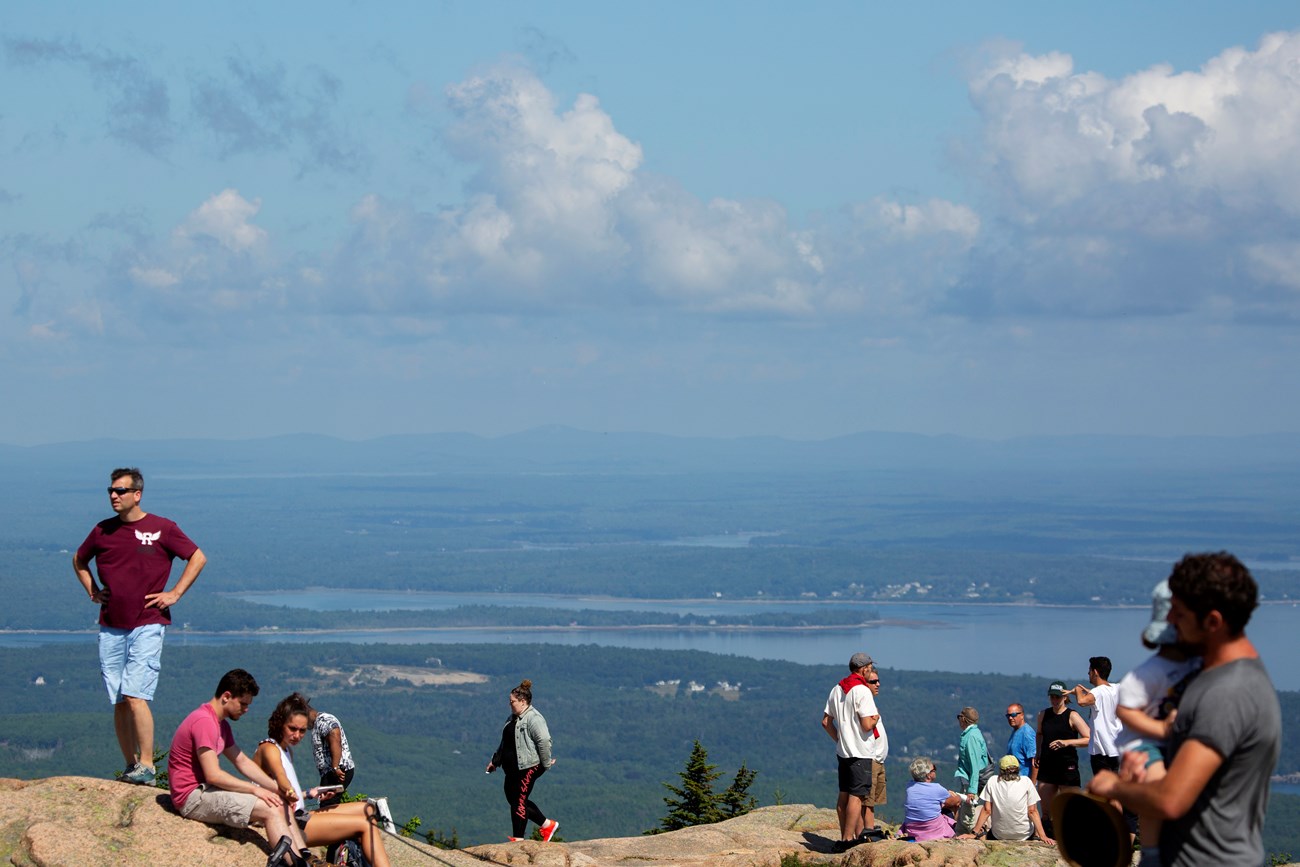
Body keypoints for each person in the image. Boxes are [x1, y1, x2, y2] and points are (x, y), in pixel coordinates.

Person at [1090, 553, 1281, 867]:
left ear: (1213, 622)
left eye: (1178, 614)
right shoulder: (1218, 679)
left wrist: (1114, 786)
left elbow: (1171, 800)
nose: (1171, 623)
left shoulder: (1226, 694)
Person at [73, 467, 207, 786]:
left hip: (147, 622)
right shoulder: (102, 531)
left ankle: (147, 765)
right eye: (110, 491)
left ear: (137, 494)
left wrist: (174, 593)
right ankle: (131, 765)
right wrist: (92, 590)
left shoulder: (161, 528)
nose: (114, 496)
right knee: (120, 698)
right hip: (111, 625)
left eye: (120, 490)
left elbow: (197, 557)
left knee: (136, 694)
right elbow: (80, 560)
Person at [168, 669, 319, 867]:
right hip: (191, 797)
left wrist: (277, 788)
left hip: (204, 790)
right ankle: (292, 862)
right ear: (226, 696)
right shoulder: (205, 722)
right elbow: (213, 775)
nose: (246, 709)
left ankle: (304, 856)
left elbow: (242, 761)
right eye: (243, 703)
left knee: (278, 799)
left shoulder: (221, 725)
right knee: (271, 808)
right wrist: (256, 789)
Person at [1111, 579, 1201, 867]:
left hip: (1179, 745)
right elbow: (1127, 712)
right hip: (1146, 744)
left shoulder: (1196, 667)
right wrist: (1162, 729)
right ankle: (1151, 852)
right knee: (1156, 793)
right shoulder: (1148, 674)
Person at [254, 693, 391, 867]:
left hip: (296, 815)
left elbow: (284, 794)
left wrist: (310, 793)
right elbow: (281, 780)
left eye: (302, 730)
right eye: (292, 729)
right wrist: (290, 790)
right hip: (288, 822)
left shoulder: (287, 751)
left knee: (367, 809)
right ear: (280, 723)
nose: (298, 735)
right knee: (366, 826)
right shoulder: (269, 748)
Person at [819, 652, 880, 850]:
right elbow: (866, 724)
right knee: (857, 796)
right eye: (870, 668)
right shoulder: (862, 691)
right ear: (863, 669)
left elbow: (826, 722)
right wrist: (875, 719)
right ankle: (847, 840)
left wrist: (839, 739)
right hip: (860, 752)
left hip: (843, 752)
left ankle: (851, 835)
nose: (870, 671)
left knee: (844, 795)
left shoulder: (837, 689)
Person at [486, 679, 559, 843]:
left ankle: (518, 839)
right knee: (514, 798)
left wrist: (546, 764)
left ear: (523, 701)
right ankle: (547, 825)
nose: (510, 704)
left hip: (529, 766)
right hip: (512, 769)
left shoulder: (534, 719)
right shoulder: (512, 718)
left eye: (512, 701)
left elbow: (545, 741)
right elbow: (505, 743)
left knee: (519, 801)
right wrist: (495, 761)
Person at [1033, 680, 1089, 829]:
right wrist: (1038, 753)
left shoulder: (1072, 716)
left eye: (1057, 697)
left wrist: (1067, 742)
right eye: (1052, 697)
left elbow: (1089, 739)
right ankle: (1048, 836)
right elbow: (1039, 734)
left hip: (1067, 767)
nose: (1054, 700)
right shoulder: (1043, 715)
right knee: (1046, 810)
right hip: (1047, 765)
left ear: (1065, 697)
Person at [962, 755, 1052, 843]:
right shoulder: (1026, 781)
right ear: (1017, 769)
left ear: (1001, 770)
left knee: (987, 833)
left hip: (1000, 835)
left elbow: (986, 810)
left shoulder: (993, 781)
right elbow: (1032, 811)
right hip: (1024, 835)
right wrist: (1043, 836)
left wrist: (974, 833)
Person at [1070, 657, 1122, 775]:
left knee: (1102, 789)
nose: (1088, 673)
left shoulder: (1097, 692)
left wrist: (1077, 690)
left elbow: (1082, 702)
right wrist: (1088, 692)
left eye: (1090, 670)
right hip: (1117, 748)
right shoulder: (1116, 688)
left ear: (1095, 672)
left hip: (1102, 750)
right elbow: (1103, 695)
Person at [898, 757, 961, 841]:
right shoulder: (937, 788)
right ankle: (957, 832)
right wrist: (952, 794)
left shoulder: (909, 786)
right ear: (928, 774)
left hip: (913, 830)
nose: (935, 770)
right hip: (933, 831)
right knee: (954, 806)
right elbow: (956, 801)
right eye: (933, 769)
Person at [860, 665, 888, 839]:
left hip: (878, 759)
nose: (877, 684)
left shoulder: (871, 703)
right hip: (870, 759)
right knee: (867, 801)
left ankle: (868, 828)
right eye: (873, 681)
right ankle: (867, 832)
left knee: (872, 800)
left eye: (878, 681)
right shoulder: (864, 703)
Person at [953, 707, 989, 835]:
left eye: (959, 717)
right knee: (964, 816)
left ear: (963, 719)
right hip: (968, 781)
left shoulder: (971, 737)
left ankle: (971, 836)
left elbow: (974, 765)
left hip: (970, 783)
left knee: (968, 815)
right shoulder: (973, 733)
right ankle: (961, 834)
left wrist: (972, 790)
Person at [307, 702, 355, 794]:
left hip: (338, 770)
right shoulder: (319, 722)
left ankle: (367, 807)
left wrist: (335, 767)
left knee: (328, 806)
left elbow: (334, 734)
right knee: (328, 802)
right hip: (332, 771)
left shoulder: (323, 721)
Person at [1004, 703, 1035, 770]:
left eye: (1013, 715)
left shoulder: (1027, 733)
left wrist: (1032, 781)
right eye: (1008, 715)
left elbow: (1035, 761)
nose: (1010, 718)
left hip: (1024, 778)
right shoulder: (1015, 731)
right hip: (1014, 778)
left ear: (1022, 715)